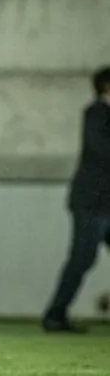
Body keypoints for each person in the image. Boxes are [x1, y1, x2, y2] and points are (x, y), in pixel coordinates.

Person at [44, 66, 110, 333]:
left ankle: (56, 314)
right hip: (92, 203)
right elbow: (100, 152)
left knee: (82, 258)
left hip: (104, 203)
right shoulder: (95, 113)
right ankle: (55, 315)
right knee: (82, 258)